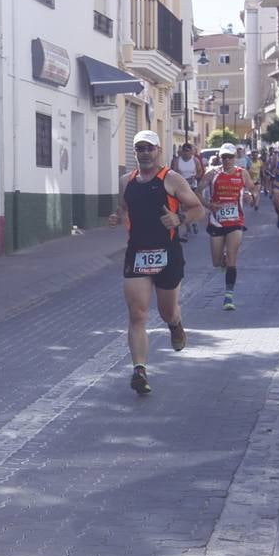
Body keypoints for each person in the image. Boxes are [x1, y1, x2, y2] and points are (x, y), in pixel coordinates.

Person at [108, 130, 207, 396]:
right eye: (139, 148)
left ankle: (175, 325)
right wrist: (118, 218)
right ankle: (139, 369)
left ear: (158, 150)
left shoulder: (171, 179)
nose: (144, 153)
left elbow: (198, 208)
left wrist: (180, 219)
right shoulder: (125, 181)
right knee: (137, 314)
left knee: (166, 312)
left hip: (167, 253)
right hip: (137, 253)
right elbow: (124, 208)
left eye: (149, 148)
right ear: (134, 152)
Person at [199, 142, 258, 311]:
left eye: (230, 157)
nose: (227, 160)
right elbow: (196, 192)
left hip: (235, 221)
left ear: (235, 158)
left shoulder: (242, 173)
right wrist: (209, 205)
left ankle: (228, 296)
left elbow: (253, 190)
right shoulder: (212, 173)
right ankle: (223, 259)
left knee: (233, 257)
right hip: (217, 221)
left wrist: (250, 198)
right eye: (224, 157)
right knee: (217, 262)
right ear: (220, 157)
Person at [171, 143, 205, 236]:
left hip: (192, 185)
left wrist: (194, 177)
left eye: (188, 151)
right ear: (182, 152)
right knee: (183, 207)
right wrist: (180, 179)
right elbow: (173, 172)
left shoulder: (195, 160)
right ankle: (189, 226)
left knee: (192, 205)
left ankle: (193, 222)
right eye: (184, 151)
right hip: (181, 186)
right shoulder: (178, 160)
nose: (186, 153)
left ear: (191, 152)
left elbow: (200, 171)